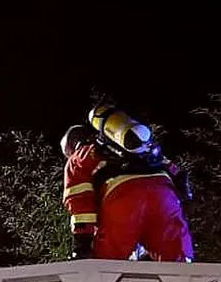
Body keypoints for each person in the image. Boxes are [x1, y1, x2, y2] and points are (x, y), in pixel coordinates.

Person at [61, 104, 194, 262]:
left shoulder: (79, 158)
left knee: (104, 267)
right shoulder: (140, 149)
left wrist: (82, 244)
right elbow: (177, 174)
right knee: (177, 265)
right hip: (165, 196)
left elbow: (80, 203)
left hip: (122, 200)